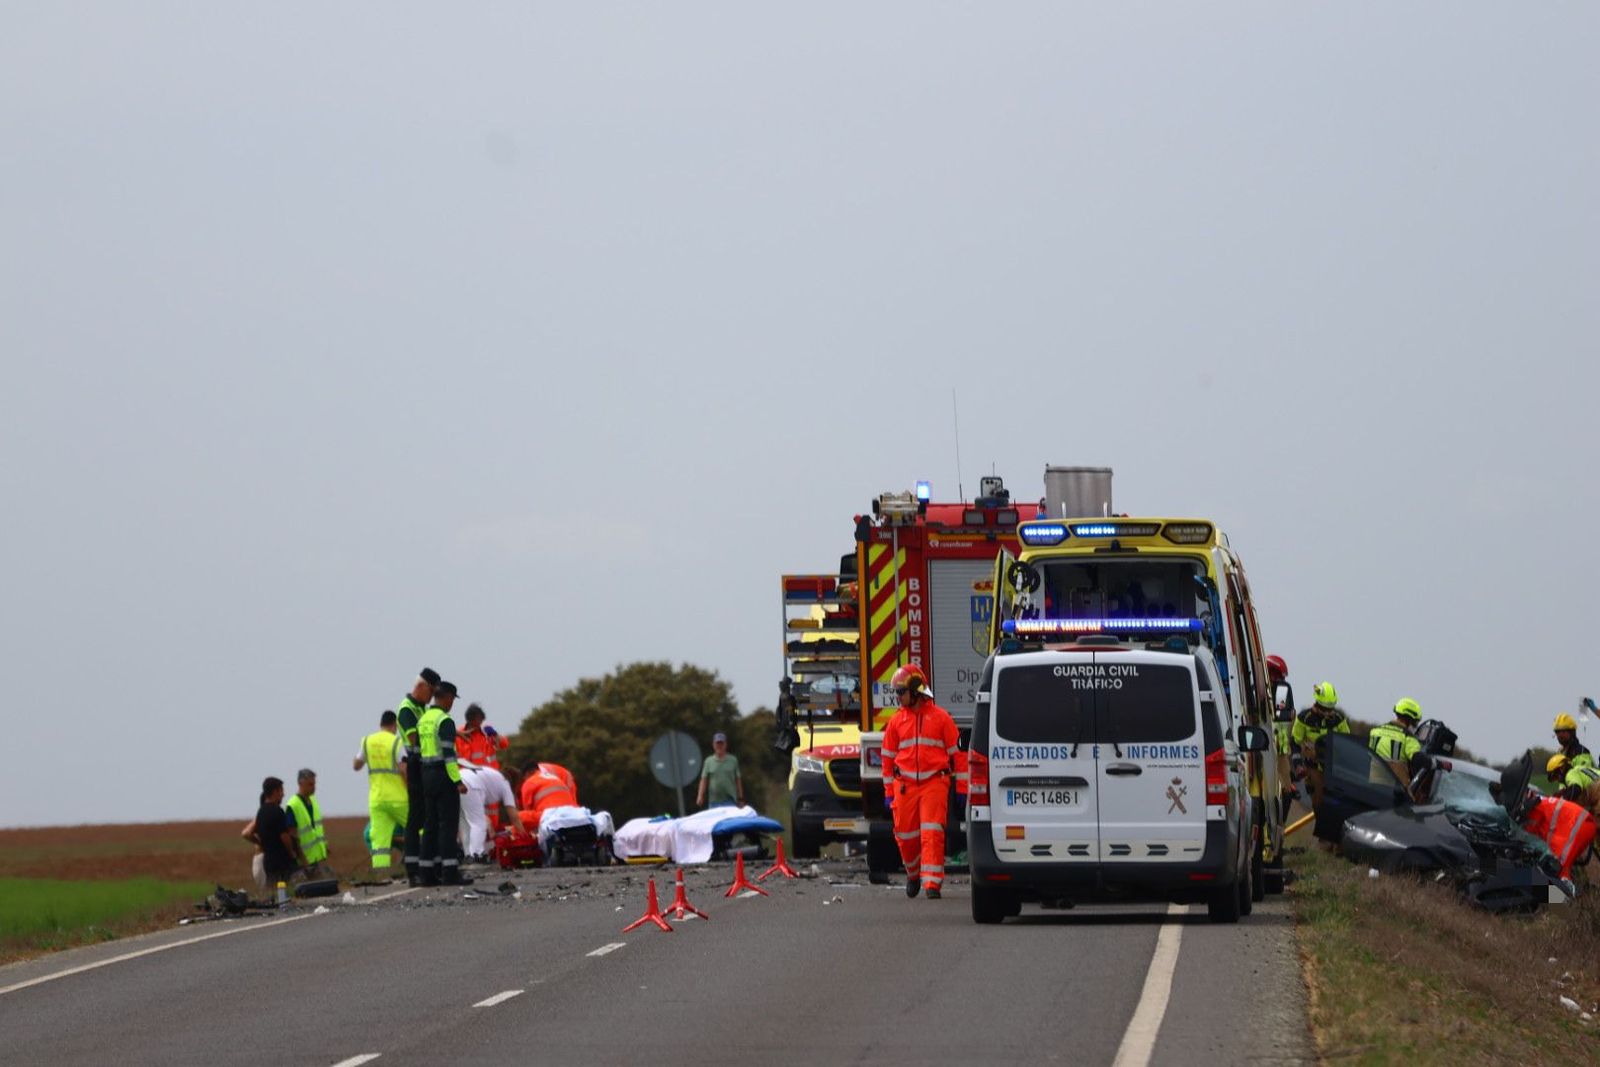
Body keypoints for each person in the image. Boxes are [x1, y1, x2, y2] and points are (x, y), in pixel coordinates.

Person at [880, 664, 959, 900]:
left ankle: (932, 883)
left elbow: (959, 754)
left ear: (915, 691)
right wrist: (888, 792)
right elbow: (887, 758)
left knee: (932, 832)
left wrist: (963, 788)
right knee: (905, 836)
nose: (898, 697)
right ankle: (913, 874)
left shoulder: (941, 718)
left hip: (934, 782)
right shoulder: (896, 722)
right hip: (904, 786)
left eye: (901, 691)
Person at [417, 680, 471, 886]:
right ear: (447, 698)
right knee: (448, 825)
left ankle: (426, 874)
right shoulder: (445, 721)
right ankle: (450, 873)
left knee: (430, 825)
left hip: (426, 775)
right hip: (443, 776)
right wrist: (457, 780)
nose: (452, 704)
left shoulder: (424, 719)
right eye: (452, 700)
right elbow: (449, 754)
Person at [396, 667, 441, 886]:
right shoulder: (407, 709)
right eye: (431, 691)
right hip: (415, 766)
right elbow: (415, 738)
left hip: (425, 766)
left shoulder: (422, 709)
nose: (432, 696)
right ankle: (412, 868)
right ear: (421, 686)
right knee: (415, 819)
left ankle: (428, 863)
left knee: (428, 815)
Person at [353, 710, 408, 876]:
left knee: (379, 841)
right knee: (419, 828)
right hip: (398, 799)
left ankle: (381, 876)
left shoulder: (367, 741)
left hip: (377, 800)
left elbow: (356, 765)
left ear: (381, 724)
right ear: (394, 725)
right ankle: (427, 864)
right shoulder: (396, 742)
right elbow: (403, 770)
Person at [1292, 682, 1351, 811]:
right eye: (1326, 709)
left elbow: (1347, 743)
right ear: (1318, 704)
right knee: (1319, 803)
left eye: (1331, 708)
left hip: (1334, 768)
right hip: (1312, 767)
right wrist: (1297, 765)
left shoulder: (1339, 719)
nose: (1329, 712)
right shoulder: (1304, 718)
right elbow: (1295, 743)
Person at [459, 759, 520, 863]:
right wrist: (522, 835)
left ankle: (468, 854)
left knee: (465, 824)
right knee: (478, 823)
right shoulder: (505, 783)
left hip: (458, 780)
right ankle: (477, 855)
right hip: (472, 785)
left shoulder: (493, 775)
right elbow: (514, 817)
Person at [243, 777, 297, 890]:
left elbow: (247, 833)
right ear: (275, 791)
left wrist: (262, 843)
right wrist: (292, 852)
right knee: (286, 890)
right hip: (282, 861)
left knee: (272, 890)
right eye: (281, 791)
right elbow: (284, 836)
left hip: (268, 862)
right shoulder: (278, 811)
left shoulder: (261, 812)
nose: (283, 794)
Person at [283, 769, 330, 880]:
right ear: (300, 783)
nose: (313, 787)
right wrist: (303, 860)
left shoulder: (313, 800)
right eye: (310, 784)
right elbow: (292, 835)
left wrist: (324, 848)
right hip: (304, 861)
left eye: (314, 784)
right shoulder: (293, 805)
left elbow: (316, 828)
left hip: (317, 858)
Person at [1267, 654, 1297, 820]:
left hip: (1280, 752)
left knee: (1286, 792)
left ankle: (1280, 831)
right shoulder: (1256, 691)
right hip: (1262, 750)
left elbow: (1288, 719)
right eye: (1275, 676)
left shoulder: (1282, 693)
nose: (1277, 681)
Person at [1368, 698, 1426, 785]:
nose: (1415, 726)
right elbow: (1418, 759)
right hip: (1395, 792)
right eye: (1415, 722)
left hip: (1372, 786)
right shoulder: (1408, 738)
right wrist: (1438, 764)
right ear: (1409, 719)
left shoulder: (1375, 731)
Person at [456, 704, 509, 772]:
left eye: (481, 719)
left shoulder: (487, 733)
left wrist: (495, 734)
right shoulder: (459, 735)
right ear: (470, 719)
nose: (480, 722)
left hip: (490, 774)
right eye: (477, 719)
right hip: (467, 776)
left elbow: (504, 744)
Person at [696, 732, 744, 808]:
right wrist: (700, 795)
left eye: (721, 743)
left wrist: (740, 798)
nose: (719, 746)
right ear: (713, 745)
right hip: (714, 802)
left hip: (730, 801)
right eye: (717, 743)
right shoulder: (708, 761)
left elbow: (738, 780)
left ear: (725, 745)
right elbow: (704, 780)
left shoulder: (733, 760)